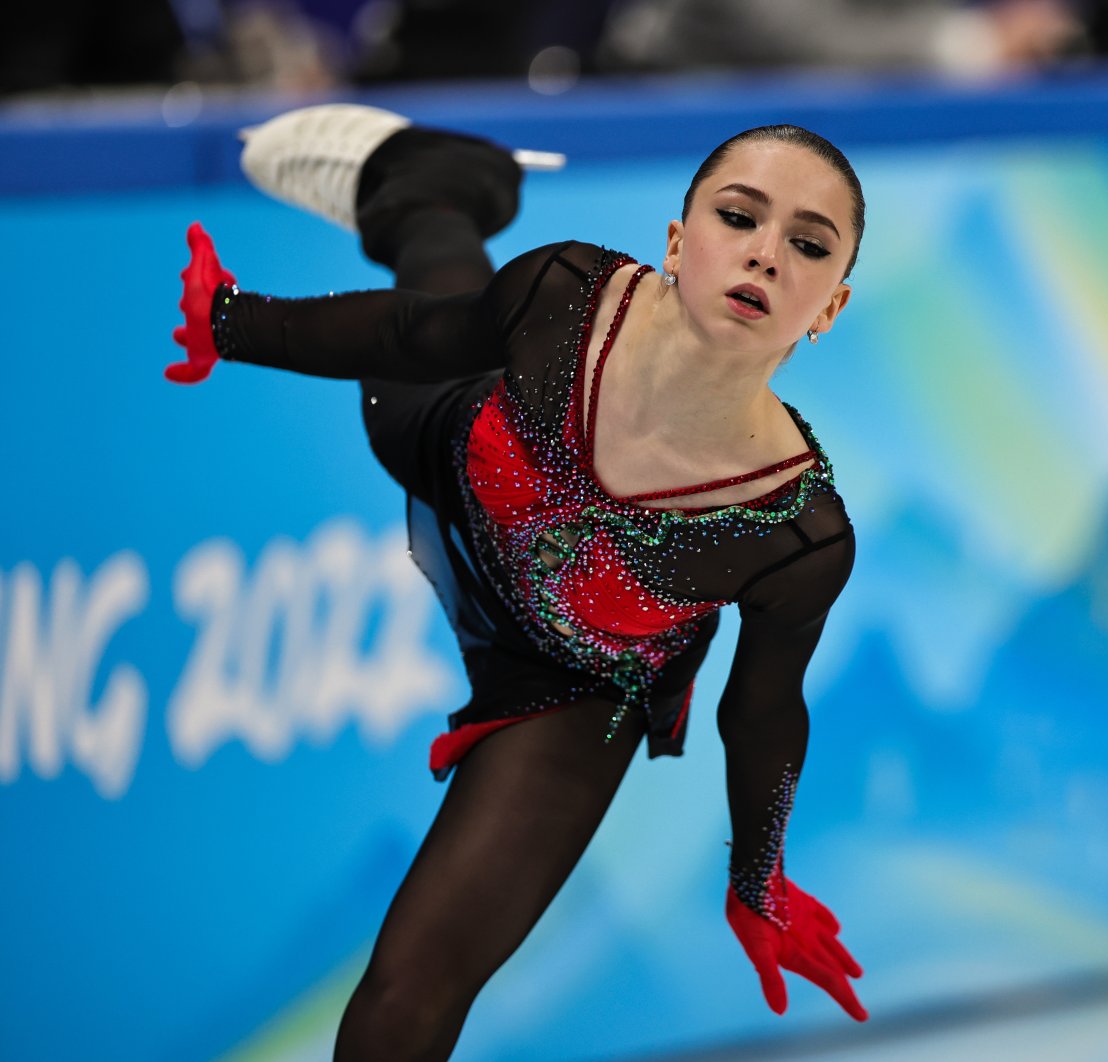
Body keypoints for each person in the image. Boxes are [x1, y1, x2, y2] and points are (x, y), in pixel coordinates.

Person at [166, 103, 868, 1059]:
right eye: (738, 218)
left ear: (829, 306)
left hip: (576, 684)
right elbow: (417, 336)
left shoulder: (798, 533)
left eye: (809, 245)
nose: (765, 255)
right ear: (677, 240)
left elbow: (763, 712)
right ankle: (435, 186)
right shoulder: (568, 293)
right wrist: (232, 322)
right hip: (451, 453)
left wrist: (757, 879)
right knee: (447, 293)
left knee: (415, 987)